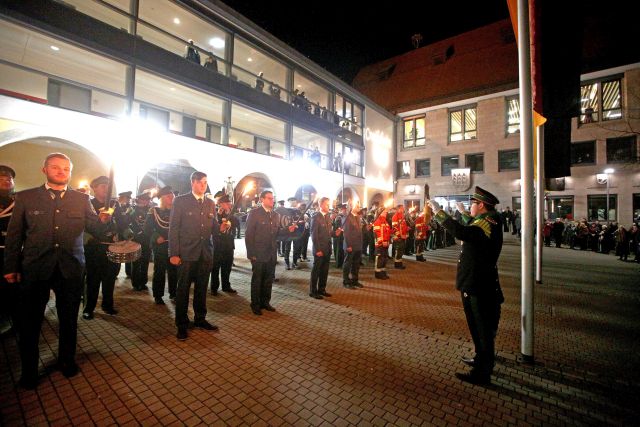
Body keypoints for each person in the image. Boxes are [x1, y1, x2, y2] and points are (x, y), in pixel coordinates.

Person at [3, 153, 111, 389]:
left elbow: (96, 229)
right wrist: (10, 267)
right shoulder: (26, 197)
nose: (61, 171)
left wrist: (105, 218)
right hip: (35, 268)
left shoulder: (82, 199)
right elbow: (14, 235)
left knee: (69, 319)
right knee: (30, 322)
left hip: (70, 268)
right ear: (45, 170)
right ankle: (29, 370)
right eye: (56, 167)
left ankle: (66, 360)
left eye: (66, 168)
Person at [428, 186, 504, 385]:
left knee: (482, 328)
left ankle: (482, 372)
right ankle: (480, 359)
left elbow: (464, 232)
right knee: (477, 327)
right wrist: (463, 214)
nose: (470, 206)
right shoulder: (486, 221)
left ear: (481, 206)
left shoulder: (487, 223)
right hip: (476, 281)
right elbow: (472, 229)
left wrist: (439, 213)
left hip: (477, 283)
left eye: (472, 204)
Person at [169, 171, 221, 341]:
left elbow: (214, 227)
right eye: (201, 182)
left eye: (205, 182)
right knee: (183, 290)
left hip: (204, 253)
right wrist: (174, 253)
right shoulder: (181, 201)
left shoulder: (210, 203)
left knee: (201, 289)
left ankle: (200, 319)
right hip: (186, 253)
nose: (203, 186)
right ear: (193, 182)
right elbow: (174, 228)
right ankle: (182, 324)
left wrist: (221, 227)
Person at [244, 190, 296, 315]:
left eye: (273, 198)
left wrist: (288, 229)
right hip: (258, 253)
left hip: (271, 253)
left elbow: (277, 232)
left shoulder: (275, 215)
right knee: (257, 280)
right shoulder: (254, 213)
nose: (272, 201)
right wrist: (251, 254)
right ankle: (255, 304)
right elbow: (248, 235)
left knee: (268, 280)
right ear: (262, 199)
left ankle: (265, 302)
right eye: (269, 198)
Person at [83, 175, 126, 320]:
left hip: (112, 246)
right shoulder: (87, 203)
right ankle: (88, 308)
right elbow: (83, 226)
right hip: (94, 248)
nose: (106, 189)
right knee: (92, 280)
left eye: (108, 186)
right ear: (94, 188)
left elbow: (122, 223)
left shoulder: (115, 204)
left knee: (110, 278)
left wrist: (126, 232)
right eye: (102, 186)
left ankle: (107, 305)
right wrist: (88, 237)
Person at [144, 186, 177, 304]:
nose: (172, 197)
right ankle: (158, 295)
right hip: (160, 246)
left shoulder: (176, 211)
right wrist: (156, 237)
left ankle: (174, 293)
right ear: (162, 198)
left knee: (174, 270)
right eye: (168, 196)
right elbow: (147, 229)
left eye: (172, 195)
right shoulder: (154, 211)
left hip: (174, 245)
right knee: (160, 270)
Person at [0, 165, 16, 337]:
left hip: (15, 252)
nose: (6, 180)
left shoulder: (19, 201)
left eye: (9, 178)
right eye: (1, 178)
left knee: (15, 289)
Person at [211, 194, 238, 295]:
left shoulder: (231, 215)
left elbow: (236, 224)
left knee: (227, 267)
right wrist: (218, 215)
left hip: (229, 245)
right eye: (227, 203)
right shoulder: (214, 214)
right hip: (217, 245)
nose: (230, 204)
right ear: (221, 204)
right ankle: (214, 288)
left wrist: (229, 214)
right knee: (215, 267)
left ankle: (226, 286)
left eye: (229, 203)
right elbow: (212, 227)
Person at [310, 197, 335, 298]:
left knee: (324, 271)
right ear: (321, 205)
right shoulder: (316, 217)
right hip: (319, 249)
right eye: (327, 204)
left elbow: (328, 232)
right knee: (316, 271)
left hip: (327, 249)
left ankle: (322, 289)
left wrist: (335, 233)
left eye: (329, 204)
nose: (329, 206)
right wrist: (317, 249)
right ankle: (313, 291)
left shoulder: (328, 217)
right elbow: (314, 235)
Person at [130, 191, 152, 291]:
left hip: (147, 239)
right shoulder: (133, 210)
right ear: (139, 199)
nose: (146, 201)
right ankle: (135, 283)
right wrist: (137, 233)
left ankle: (143, 282)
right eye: (144, 199)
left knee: (145, 261)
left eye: (147, 200)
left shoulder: (150, 210)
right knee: (136, 261)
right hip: (136, 239)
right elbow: (131, 224)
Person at [342, 200, 363, 289]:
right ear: (352, 207)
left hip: (358, 245)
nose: (359, 208)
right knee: (348, 263)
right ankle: (346, 281)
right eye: (357, 206)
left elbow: (359, 231)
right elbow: (346, 233)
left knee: (356, 264)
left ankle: (355, 280)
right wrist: (348, 245)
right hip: (350, 245)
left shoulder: (357, 217)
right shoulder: (347, 217)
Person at [373, 206, 391, 279]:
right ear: (380, 212)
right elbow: (377, 234)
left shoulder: (385, 221)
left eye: (386, 212)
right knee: (380, 258)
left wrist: (388, 240)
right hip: (380, 244)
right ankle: (378, 273)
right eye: (385, 212)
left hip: (385, 244)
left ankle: (383, 272)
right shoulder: (377, 221)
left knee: (384, 258)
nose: (386, 213)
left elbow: (387, 233)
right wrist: (382, 241)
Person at [391, 204, 408, 269]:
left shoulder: (402, 216)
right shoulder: (395, 217)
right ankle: (397, 264)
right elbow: (395, 228)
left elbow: (403, 226)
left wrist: (407, 229)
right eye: (402, 208)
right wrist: (400, 236)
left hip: (402, 236)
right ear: (398, 209)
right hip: (398, 237)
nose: (403, 209)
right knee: (398, 251)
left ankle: (400, 263)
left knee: (401, 250)